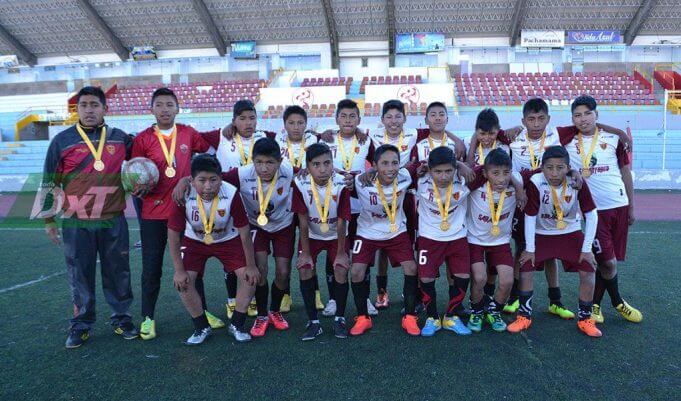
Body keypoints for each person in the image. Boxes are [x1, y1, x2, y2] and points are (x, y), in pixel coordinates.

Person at [39, 86, 137, 348]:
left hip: (113, 217)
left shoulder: (120, 138)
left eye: (95, 105)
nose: (89, 110)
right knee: (79, 273)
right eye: (83, 105)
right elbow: (49, 180)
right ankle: (81, 324)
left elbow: (143, 158)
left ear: (105, 108)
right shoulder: (62, 140)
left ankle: (122, 318)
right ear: (77, 109)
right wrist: (48, 220)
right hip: (76, 219)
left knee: (118, 271)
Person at [131, 87, 224, 340]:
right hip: (153, 214)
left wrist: (188, 177)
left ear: (177, 108)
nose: (164, 109)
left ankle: (202, 313)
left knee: (192, 267)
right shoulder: (142, 139)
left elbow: (209, 153)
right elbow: (133, 174)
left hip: (184, 213)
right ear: (151, 109)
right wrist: (137, 186)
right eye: (159, 105)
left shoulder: (188, 133)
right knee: (151, 268)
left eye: (169, 104)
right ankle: (148, 318)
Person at [559, 95, 642, 324]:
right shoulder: (566, 139)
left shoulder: (614, 139)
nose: (583, 119)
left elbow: (625, 172)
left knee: (609, 260)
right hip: (594, 212)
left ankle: (595, 306)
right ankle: (618, 302)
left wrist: (632, 206)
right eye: (577, 115)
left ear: (597, 114)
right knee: (607, 262)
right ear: (572, 118)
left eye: (588, 113)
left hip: (619, 205)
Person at [167, 154, 260, 344]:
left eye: (213, 180)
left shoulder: (232, 193)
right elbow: (173, 234)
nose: (208, 186)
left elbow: (244, 232)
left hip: (227, 239)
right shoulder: (183, 194)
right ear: (192, 181)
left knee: (250, 278)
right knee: (183, 282)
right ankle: (201, 327)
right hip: (195, 242)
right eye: (202, 180)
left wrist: (251, 265)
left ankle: (237, 324)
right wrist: (178, 270)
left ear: (221, 179)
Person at [511, 146, 602, 337]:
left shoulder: (576, 181)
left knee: (588, 267)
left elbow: (591, 215)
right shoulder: (536, 181)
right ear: (542, 168)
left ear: (568, 167)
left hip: (569, 232)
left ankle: (585, 318)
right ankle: (524, 316)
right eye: (549, 168)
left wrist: (586, 249)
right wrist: (530, 248)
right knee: (526, 264)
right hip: (541, 232)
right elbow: (529, 215)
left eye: (560, 168)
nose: (554, 173)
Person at [349, 144, 420, 336]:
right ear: (374, 165)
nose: (390, 168)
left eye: (394, 163)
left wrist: (460, 165)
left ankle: (410, 317)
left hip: (396, 231)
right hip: (367, 232)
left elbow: (423, 164)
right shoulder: (360, 181)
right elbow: (337, 176)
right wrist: (370, 171)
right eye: (384, 163)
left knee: (411, 268)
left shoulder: (405, 175)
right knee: (356, 272)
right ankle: (363, 317)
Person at [292, 143, 352, 340]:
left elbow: (343, 220)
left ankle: (340, 319)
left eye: (327, 163)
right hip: (312, 235)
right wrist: (306, 253)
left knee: (341, 268)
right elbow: (302, 220)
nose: (323, 169)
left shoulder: (341, 183)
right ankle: (313, 322)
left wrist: (342, 252)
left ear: (333, 164)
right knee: (304, 267)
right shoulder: (300, 183)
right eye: (316, 164)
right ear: (307, 167)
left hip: (337, 235)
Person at [413, 147, 473, 336]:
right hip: (429, 238)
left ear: (455, 169)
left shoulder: (464, 180)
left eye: (448, 171)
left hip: (457, 237)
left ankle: (451, 316)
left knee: (463, 276)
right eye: (438, 171)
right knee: (426, 278)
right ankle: (432, 317)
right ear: (429, 170)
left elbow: (491, 169)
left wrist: (462, 164)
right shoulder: (419, 180)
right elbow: (393, 171)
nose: (443, 176)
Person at [465, 149, 526, 333]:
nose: (501, 179)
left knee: (507, 281)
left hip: (500, 242)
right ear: (485, 174)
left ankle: (494, 311)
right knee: (480, 277)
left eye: (506, 173)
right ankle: (476, 310)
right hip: (475, 240)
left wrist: (519, 187)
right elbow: (463, 171)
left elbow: (537, 172)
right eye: (495, 173)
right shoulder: (476, 185)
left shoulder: (516, 185)